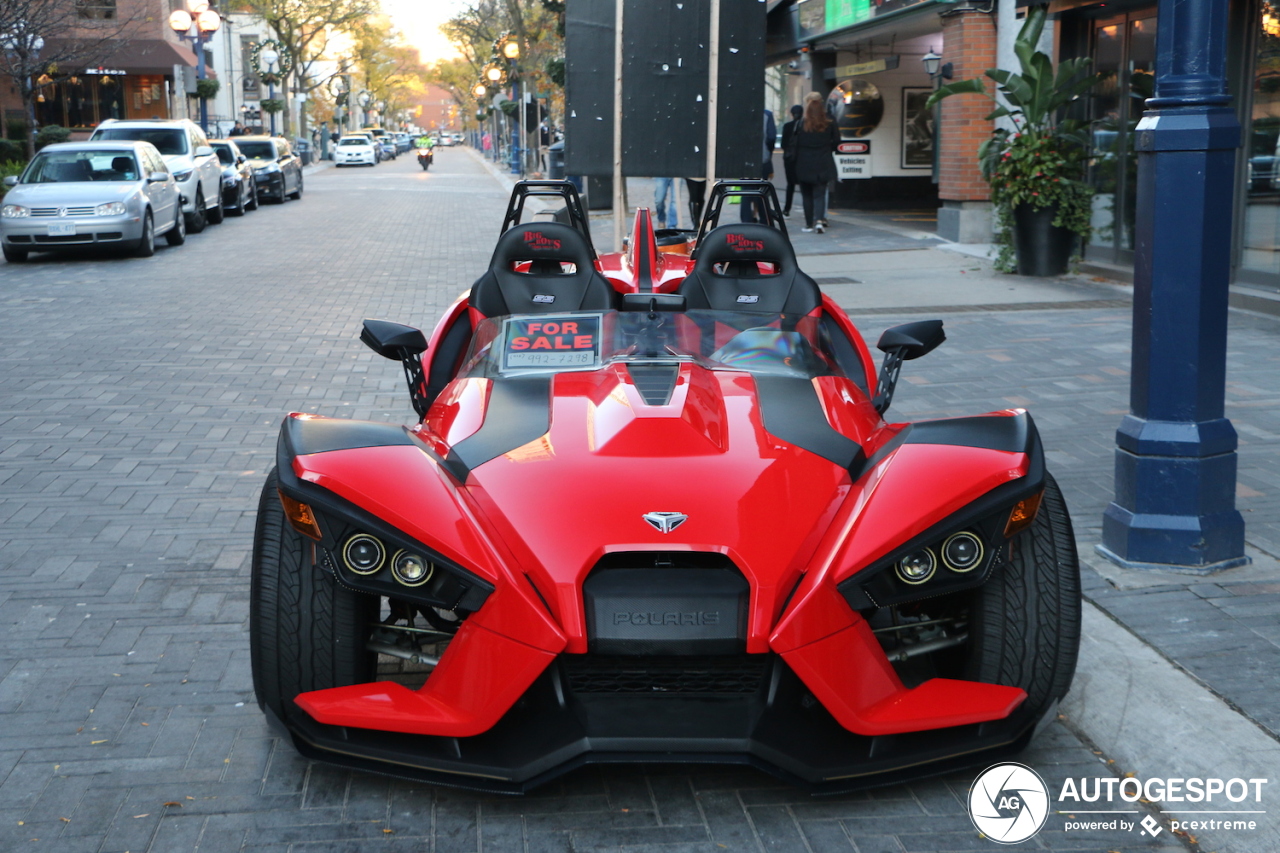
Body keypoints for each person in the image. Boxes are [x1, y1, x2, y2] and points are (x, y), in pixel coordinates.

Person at [789, 93, 840, 234]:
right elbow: (836, 142)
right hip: (823, 161)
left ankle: (808, 224)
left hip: (804, 163)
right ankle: (819, 220)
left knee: (806, 195)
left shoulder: (801, 123)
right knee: (820, 193)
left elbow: (794, 143)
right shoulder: (830, 121)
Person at [740, 108, 777, 223]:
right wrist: (768, 152)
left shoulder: (740, 113)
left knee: (745, 191)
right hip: (762, 158)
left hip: (744, 158)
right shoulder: (767, 114)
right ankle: (765, 220)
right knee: (762, 191)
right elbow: (771, 137)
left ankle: (746, 220)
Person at [779, 105, 803, 217]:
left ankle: (787, 209)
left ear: (791, 114)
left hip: (789, 159)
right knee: (804, 185)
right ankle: (807, 208)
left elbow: (783, 144)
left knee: (790, 185)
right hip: (802, 159)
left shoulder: (787, 126)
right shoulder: (805, 126)